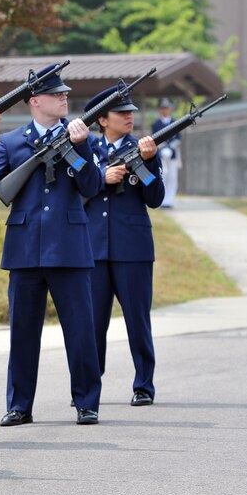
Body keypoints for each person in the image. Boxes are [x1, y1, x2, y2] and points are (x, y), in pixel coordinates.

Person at [0, 65, 103, 426]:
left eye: (65, 93)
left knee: (80, 329)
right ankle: (19, 405)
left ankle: (86, 401)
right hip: (24, 246)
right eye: (56, 94)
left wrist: (78, 148)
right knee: (22, 331)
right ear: (35, 102)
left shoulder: (83, 138)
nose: (64, 97)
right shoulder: (13, 142)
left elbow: (92, 187)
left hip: (69, 245)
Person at [84, 86, 164, 406]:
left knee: (137, 319)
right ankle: (89, 387)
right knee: (92, 324)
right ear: (102, 120)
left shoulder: (143, 148)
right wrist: (102, 177)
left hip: (132, 248)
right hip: (93, 248)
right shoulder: (85, 150)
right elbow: (74, 194)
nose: (129, 117)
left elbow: (155, 198)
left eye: (131, 112)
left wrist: (147, 163)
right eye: (121, 113)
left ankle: (144, 384)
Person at [152, 98, 180, 208]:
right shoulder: (156, 124)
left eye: (167, 108)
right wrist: (163, 148)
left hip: (172, 154)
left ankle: (170, 199)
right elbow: (154, 138)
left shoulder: (175, 122)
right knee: (164, 176)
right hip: (162, 154)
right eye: (163, 108)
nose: (165, 110)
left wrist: (170, 148)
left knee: (173, 176)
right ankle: (163, 199)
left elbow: (178, 138)